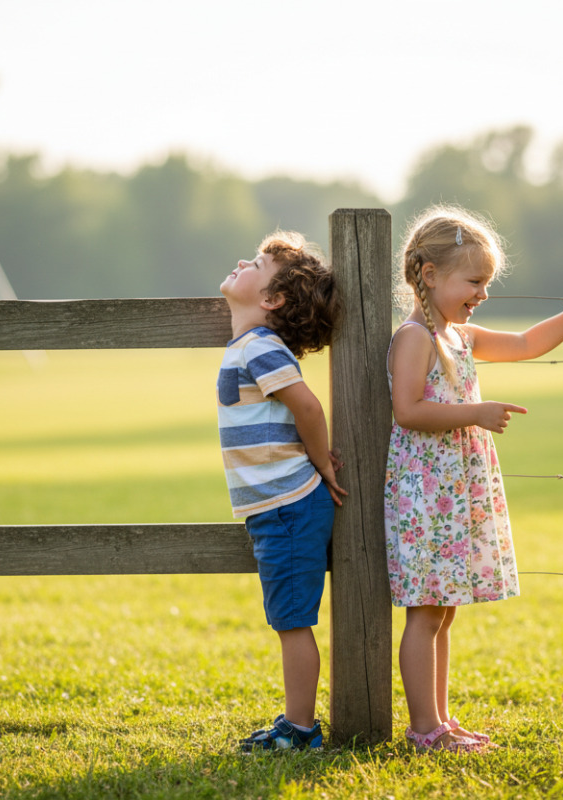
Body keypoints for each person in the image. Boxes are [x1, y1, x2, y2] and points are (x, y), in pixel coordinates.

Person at [385, 205, 563, 753]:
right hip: (428, 495)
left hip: (452, 491)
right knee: (426, 611)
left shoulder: (459, 335)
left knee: (443, 610)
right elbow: (407, 411)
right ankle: (423, 730)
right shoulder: (415, 338)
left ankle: (441, 722)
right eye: (474, 281)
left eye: (487, 283)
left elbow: (524, 344)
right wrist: (474, 414)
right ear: (430, 275)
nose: (483, 293)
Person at [216, 230, 348, 752]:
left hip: (289, 504)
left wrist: (322, 463)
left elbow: (309, 408)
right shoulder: (251, 345)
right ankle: (296, 724)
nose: (243, 260)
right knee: (286, 618)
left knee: (291, 622)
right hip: (276, 506)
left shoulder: (262, 348)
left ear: (272, 300)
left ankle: (300, 730)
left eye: (258, 263)